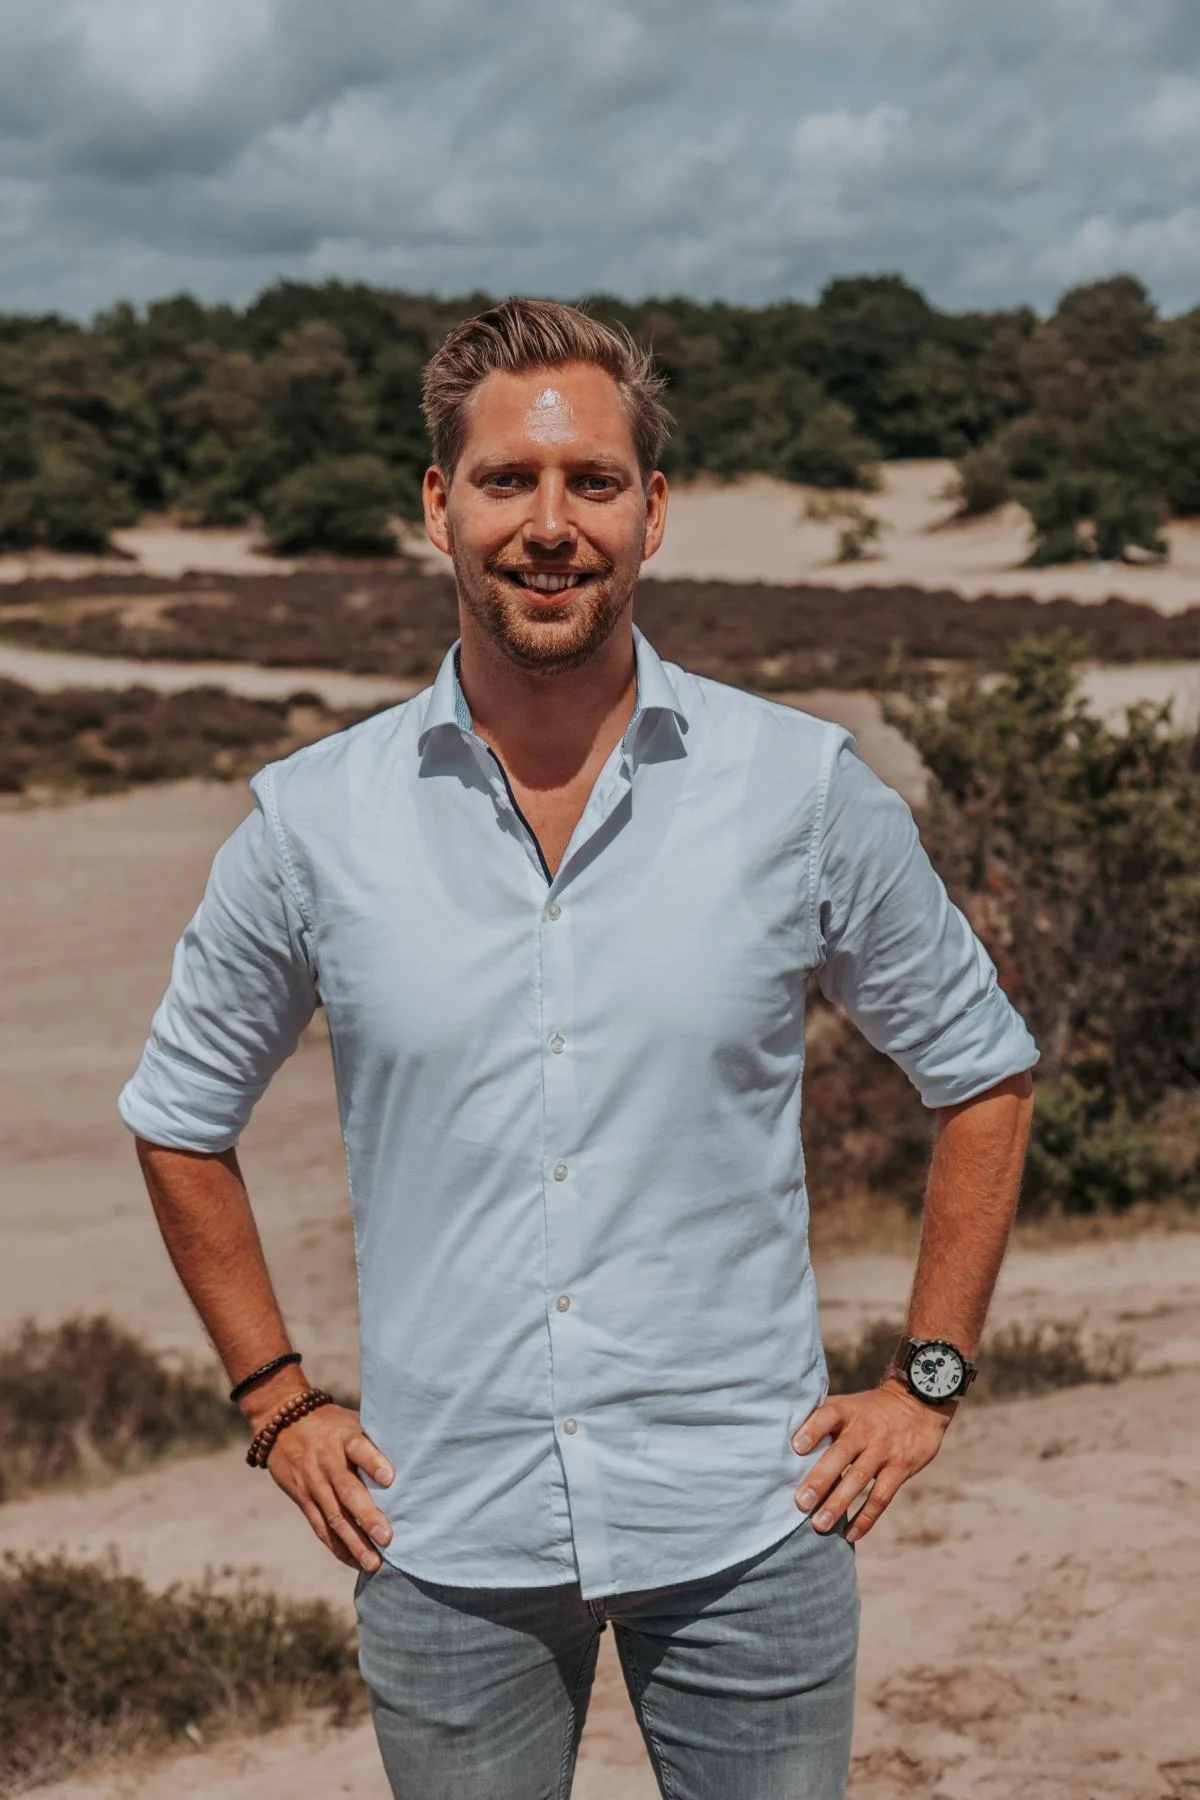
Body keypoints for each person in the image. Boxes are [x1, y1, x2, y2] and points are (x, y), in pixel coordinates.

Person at [119, 298, 1037, 1800]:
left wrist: (926, 1380)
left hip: (752, 1524)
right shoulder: (312, 823)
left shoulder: (800, 789)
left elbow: (980, 1070)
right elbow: (177, 1114)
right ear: (438, 505)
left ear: (654, 512)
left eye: (593, 482)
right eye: (507, 481)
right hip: (448, 1538)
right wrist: (277, 1402)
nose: (551, 524)